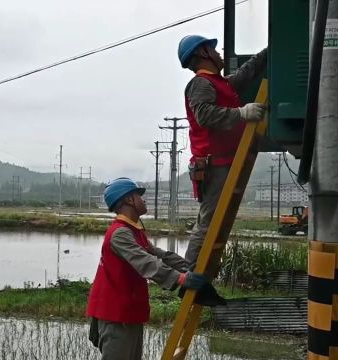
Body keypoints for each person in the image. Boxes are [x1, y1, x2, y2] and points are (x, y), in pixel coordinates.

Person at [178, 35, 267, 289]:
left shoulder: (220, 83)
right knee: (207, 224)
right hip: (214, 165)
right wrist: (241, 113)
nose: (220, 54)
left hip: (223, 163)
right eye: (214, 50)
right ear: (203, 53)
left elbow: (247, 72)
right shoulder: (201, 84)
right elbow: (204, 115)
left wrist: (271, 49)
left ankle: (199, 277)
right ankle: (191, 278)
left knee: (211, 224)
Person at [86, 177, 211, 360]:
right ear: (129, 200)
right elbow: (146, 262)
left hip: (128, 313)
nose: (143, 200)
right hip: (115, 315)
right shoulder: (120, 233)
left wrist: (187, 267)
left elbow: (159, 255)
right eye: (139, 196)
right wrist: (180, 279)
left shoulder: (133, 231)